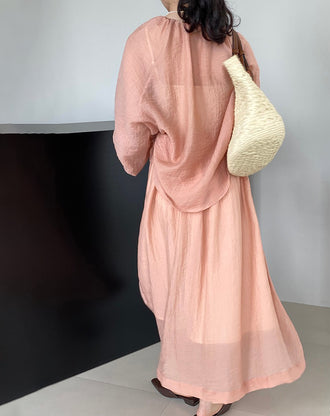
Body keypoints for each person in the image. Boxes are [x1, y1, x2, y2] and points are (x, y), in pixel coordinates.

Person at [112, 1, 306, 415]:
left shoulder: (146, 41)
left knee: (170, 281)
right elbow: (248, 109)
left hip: (171, 185)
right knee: (221, 286)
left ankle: (206, 387)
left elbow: (131, 134)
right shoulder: (234, 41)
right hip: (225, 185)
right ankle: (200, 380)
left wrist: (134, 162)